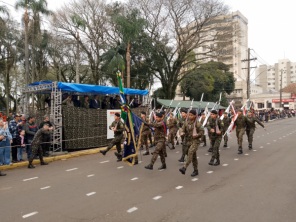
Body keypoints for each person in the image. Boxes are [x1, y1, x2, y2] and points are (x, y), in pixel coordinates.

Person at [179, 110, 204, 176]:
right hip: (188, 141)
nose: (190, 116)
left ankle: (184, 167)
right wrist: (181, 132)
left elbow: (202, 132)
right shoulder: (186, 123)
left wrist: (197, 135)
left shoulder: (198, 124)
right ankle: (196, 170)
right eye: (189, 115)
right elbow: (182, 129)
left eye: (191, 115)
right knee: (193, 157)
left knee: (190, 152)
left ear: (195, 116)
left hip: (195, 141)